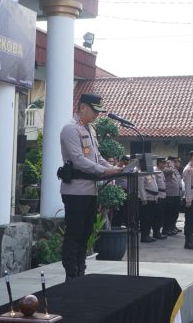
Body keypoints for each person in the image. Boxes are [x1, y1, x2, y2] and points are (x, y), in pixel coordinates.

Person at [59, 93, 121, 281]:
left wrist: (113, 169)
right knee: (74, 234)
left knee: (86, 233)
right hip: (76, 191)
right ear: (83, 107)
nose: (97, 115)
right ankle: (71, 274)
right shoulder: (71, 129)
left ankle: (80, 271)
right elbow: (78, 160)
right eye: (95, 110)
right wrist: (104, 171)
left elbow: (97, 156)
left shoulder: (90, 129)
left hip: (90, 190)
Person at [138, 158, 159, 242]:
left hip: (153, 198)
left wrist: (156, 196)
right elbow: (141, 187)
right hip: (146, 199)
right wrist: (143, 199)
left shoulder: (151, 173)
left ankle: (148, 234)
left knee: (150, 218)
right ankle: (144, 236)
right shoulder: (141, 173)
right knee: (145, 218)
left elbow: (155, 185)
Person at [163, 156, 182, 236]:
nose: (178, 163)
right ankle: (166, 229)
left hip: (176, 195)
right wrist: (170, 164)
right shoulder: (166, 169)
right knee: (169, 213)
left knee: (175, 213)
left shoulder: (176, 171)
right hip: (170, 195)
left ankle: (172, 227)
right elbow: (170, 171)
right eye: (176, 161)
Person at [110, 155, 130, 228]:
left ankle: (121, 224)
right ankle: (115, 225)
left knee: (124, 210)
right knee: (118, 210)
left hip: (126, 191)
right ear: (121, 161)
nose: (125, 164)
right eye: (125, 162)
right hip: (119, 191)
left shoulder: (125, 168)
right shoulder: (115, 168)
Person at [153, 158, 168, 240]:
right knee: (157, 215)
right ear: (159, 163)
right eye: (163, 163)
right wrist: (156, 196)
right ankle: (156, 232)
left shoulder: (161, 171)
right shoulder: (155, 171)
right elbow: (154, 184)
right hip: (158, 195)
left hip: (163, 195)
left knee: (161, 215)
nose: (165, 164)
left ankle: (158, 231)